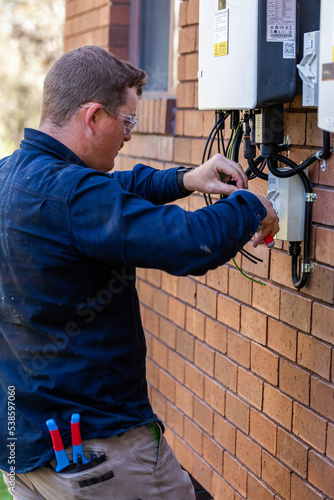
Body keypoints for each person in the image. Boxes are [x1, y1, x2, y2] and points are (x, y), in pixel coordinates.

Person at [0, 46, 279, 500]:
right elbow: (188, 243)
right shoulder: (72, 194)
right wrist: (251, 206)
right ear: (92, 116)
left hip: (27, 450)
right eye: (126, 122)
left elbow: (112, 189)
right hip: (99, 457)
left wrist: (186, 178)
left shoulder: (13, 177)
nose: (129, 136)